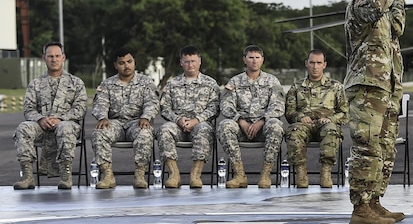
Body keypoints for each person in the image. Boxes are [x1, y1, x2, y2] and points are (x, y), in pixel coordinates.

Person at [343, 0, 406, 224]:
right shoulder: (361, 3)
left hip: (386, 86)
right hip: (367, 84)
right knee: (367, 146)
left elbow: (397, 28)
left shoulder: (383, 3)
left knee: (385, 147)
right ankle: (360, 208)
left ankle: (373, 201)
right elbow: (374, 8)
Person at [13, 41, 87, 190]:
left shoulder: (76, 83)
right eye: (50, 56)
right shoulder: (36, 84)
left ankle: (66, 176)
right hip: (41, 125)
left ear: (63, 57)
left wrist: (61, 119)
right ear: (44, 58)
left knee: (64, 128)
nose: (54, 59)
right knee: (23, 128)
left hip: (67, 125)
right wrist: (40, 119)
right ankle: (27, 177)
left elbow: (81, 108)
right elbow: (28, 109)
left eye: (57, 56)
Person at [91, 46, 160, 189]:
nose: (126, 66)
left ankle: (140, 175)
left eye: (129, 62)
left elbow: (152, 102)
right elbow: (100, 103)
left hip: (137, 122)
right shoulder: (107, 84)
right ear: (116, 65)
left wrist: (146, 117)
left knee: (145, 132)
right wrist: (102, 117)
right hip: (114, 123)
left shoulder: (145, 83)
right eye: (122, 63)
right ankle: (107, 175)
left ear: (134, 62)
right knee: (99, 133)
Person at [217, 45, 285, 188]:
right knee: (225, 126)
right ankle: (239, 175)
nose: (254, 61)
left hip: (263, 127)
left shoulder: (272, 81)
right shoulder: (235, 82)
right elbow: (226, 105)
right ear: (244, 60)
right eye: (251, 58)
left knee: (276, 125)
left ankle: (266, 175)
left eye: (257, 58)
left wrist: (262, 121)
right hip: (242, 127)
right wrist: (240, 121)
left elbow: (278, 105)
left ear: (262, 60)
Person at [155, 45, 221, 188]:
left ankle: (195, 175)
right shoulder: (172, 84)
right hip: (178, 124)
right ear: (181, 62)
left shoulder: (210, 84)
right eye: (186, 61)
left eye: (193, 61)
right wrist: (178, 120)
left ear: (200, 61)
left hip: (200, 124)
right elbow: (164, 108)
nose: (190, 65)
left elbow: (214, 108)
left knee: (204, 129)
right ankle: (174, 175)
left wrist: (196, 120)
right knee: (164, 129)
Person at [284, 49, 348, 188]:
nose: (315, 66)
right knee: (293, 131)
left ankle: (326, 173)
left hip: (325, 124)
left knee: (332, 130)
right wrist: (300, 117)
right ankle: (301, 174)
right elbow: (289, 112)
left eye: (319, 63)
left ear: (324, 64)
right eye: (312, 62)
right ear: (306, 63)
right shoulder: (297, 87)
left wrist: (331, 119)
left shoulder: (335, 86)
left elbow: (344, 113)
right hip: (304, 125)